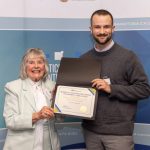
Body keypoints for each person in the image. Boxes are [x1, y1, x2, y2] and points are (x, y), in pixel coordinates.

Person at [81, 9, 150, 150]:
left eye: (106, 26)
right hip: (91, 132)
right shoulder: (84, 59)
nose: (102, 31)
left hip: (119, 135)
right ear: (91, 29)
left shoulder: (128, 57)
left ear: (113, 28)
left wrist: (111, 88)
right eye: (97, 27)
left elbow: (144, 89)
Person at [3, 48, 60, 150]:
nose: (36, 66)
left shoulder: (53, 86)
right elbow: (10, 121)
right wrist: (37, 115)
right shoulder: (13, 87)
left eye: (40, 62)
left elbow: (60, 117)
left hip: (48, 145)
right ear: (25, 66)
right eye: (31, 62)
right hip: (21, 146)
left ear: (45, 66)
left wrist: (60, 102)